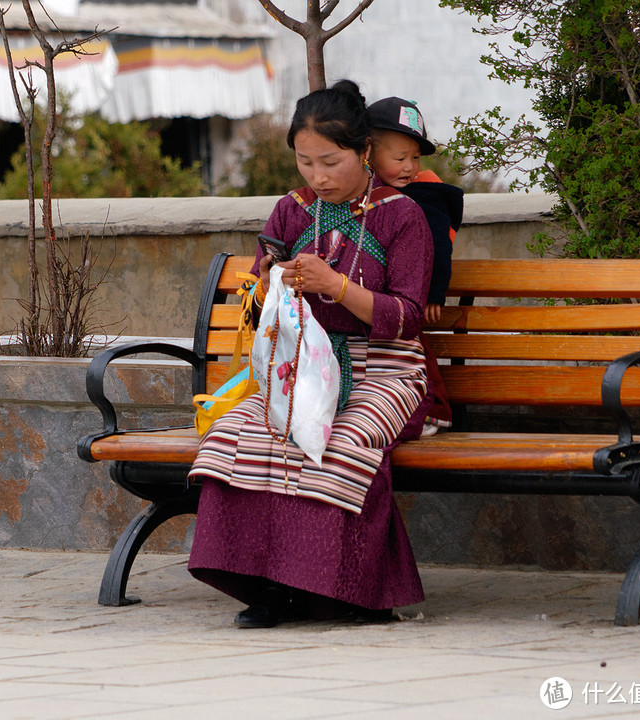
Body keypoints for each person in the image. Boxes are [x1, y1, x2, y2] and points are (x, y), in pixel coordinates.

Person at [187, 80, 434, 628]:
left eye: (331, 161)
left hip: (384, 369)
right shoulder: (292, 212)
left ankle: (347, 593)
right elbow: (260, 282)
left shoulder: (402, 217)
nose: (317, 177)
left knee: (340, 442)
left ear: (364, 152)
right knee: (243, 435)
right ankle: (271, 590)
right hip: (300, 366)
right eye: (305, 162)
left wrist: (336, 285)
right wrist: (274, 280)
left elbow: (408, 317)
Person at [367, 96, 464, 433]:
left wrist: (434, 293)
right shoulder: (361, 191)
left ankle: (435, 409)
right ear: (367, 152)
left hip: (409, 297)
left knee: (414, 349)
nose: (409, 166)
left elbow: (438, 244)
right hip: (373, 299)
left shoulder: (424, 194)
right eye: (399, 158)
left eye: (415, 157)